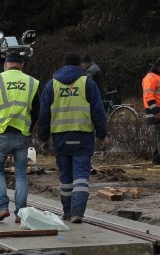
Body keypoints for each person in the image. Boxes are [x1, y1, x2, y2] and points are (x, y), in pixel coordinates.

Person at [38, 52, 108, 223]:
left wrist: (43, 137)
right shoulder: (87, 84)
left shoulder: (51, 85)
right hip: (83, 135)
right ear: (79, 65)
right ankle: (78, 212)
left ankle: (68, 212)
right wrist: (102, 134)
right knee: (81, 176)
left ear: (63, 65)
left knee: (66, 178)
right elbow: (98, 111)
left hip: (60, 137)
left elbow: (44, 114)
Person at [0, 52, 40, 223]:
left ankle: (2, 207)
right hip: (22, 133)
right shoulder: (32, 82)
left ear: (6, 64)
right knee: (21, 174)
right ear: (22, 65)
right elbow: (37, 110)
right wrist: (29, 128)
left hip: (1, 133)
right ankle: (21, 212)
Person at [142, 57, 160, 165]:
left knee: (159, 136)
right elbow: (148, 96)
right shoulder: (151, 77)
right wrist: (155, 111)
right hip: (156, 112)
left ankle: (156, 160)